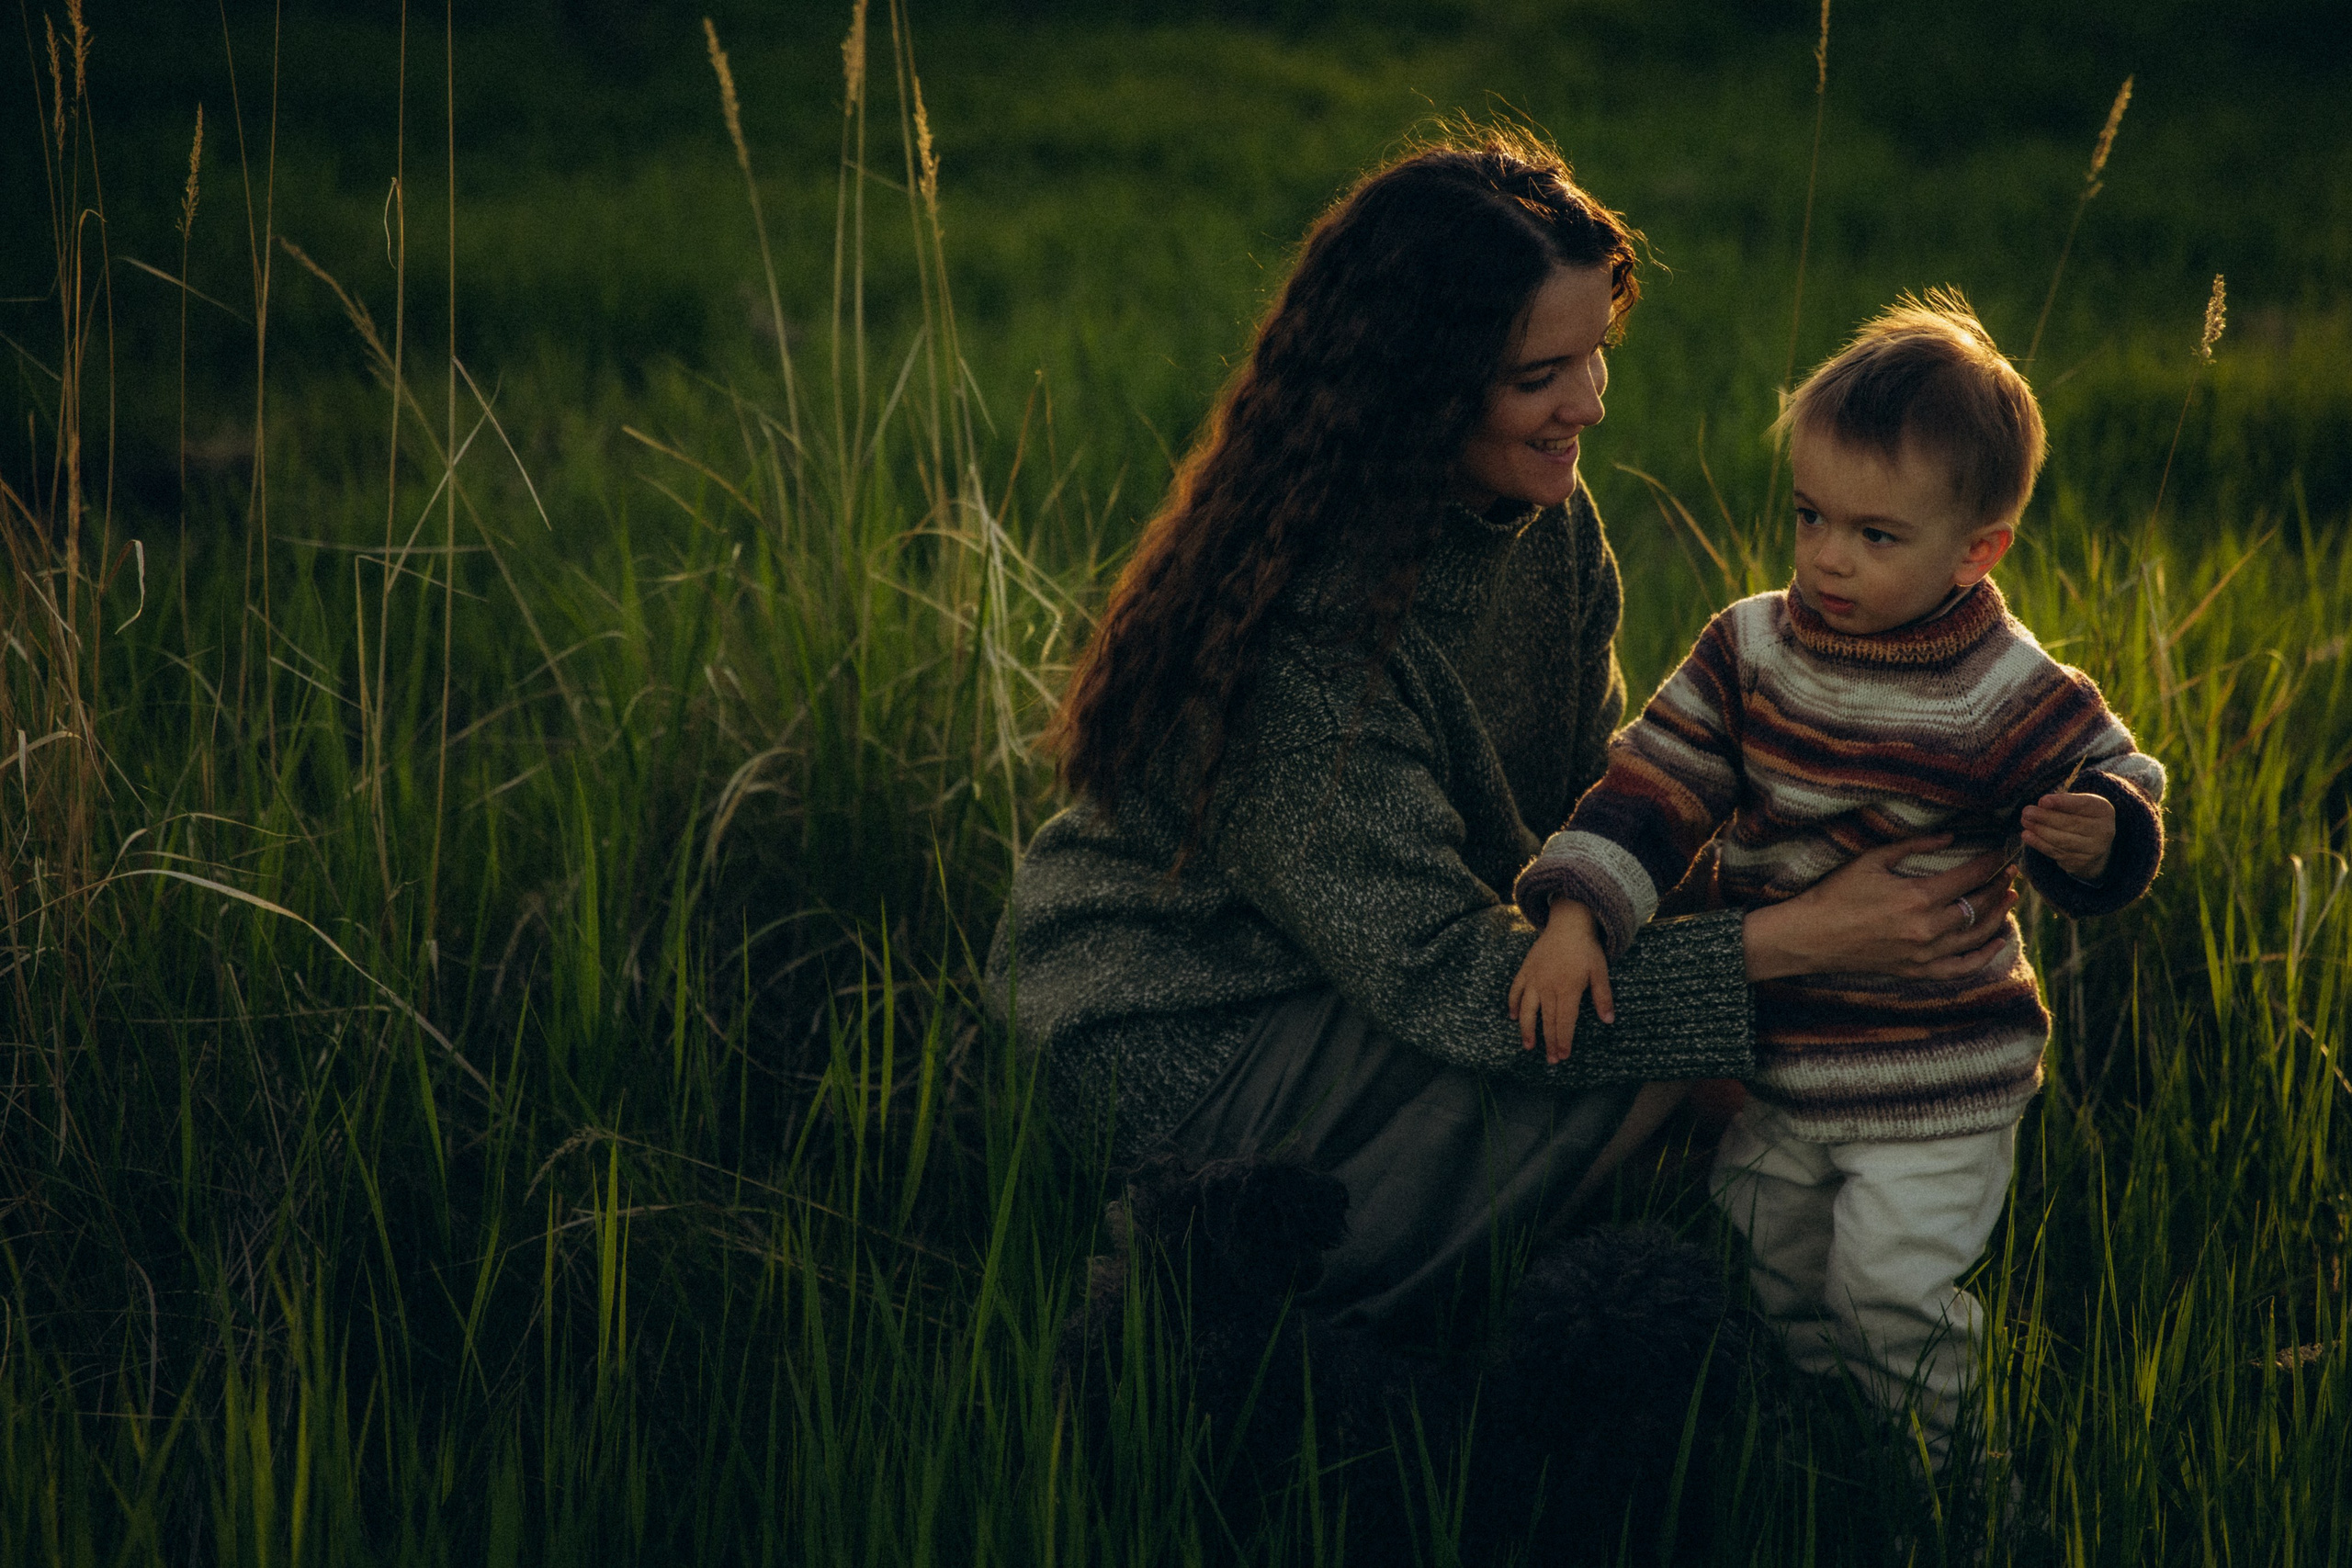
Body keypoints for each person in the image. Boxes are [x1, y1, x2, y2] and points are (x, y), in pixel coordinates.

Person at [985, 130, 2020, 1332]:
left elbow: (1592, 802)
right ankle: (1226, 1292)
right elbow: (1464, 982)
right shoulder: (1300, 643)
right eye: (1542, 374)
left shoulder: (1545, 517)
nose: (1588, 403)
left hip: (1387, 970)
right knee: (1668, 1045)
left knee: (1707, 1021)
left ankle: (1600, 1219)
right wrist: (1798, 940)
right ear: (1421, 387)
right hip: (1186, 1029)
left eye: (1595, 354)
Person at [1509, 291, 2165, 1461]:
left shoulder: (1998, 688)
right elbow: (1653, 785)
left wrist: (2102, 831)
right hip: (1782, 1058)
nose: (1825, 558)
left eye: (1874, 535)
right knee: (1768, 1267)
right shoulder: (1751, 648)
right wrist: (1577, 915)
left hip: (1935, 1073)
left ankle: (1955, 1487)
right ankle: (1831, 1451)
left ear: (1977, 551)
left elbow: (2119, 775)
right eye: (1810, 516)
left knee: (1888, 1296)